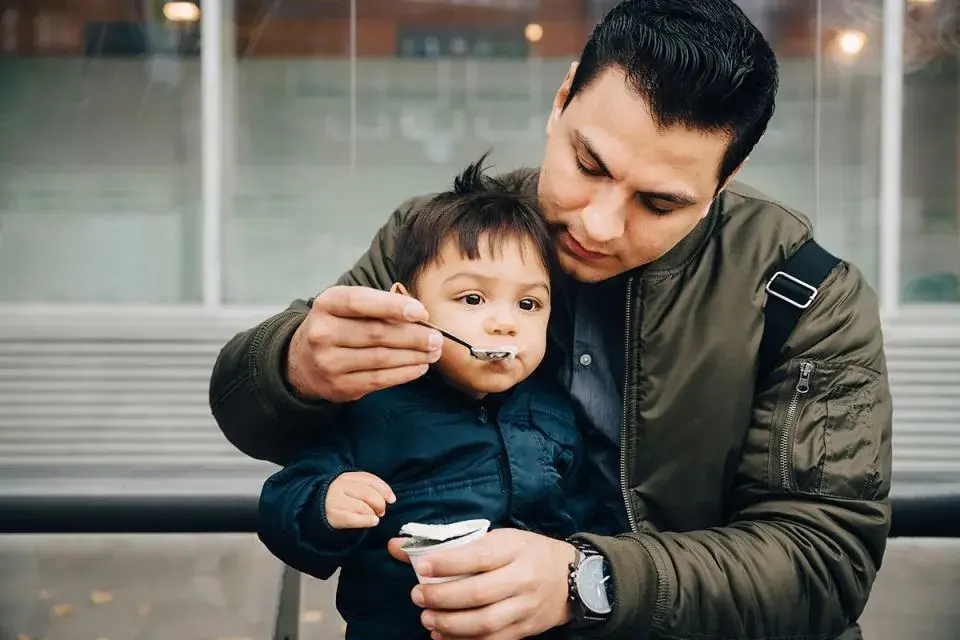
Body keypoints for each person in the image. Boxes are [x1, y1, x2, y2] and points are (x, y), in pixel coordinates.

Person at [210, 1, 893, 638]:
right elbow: (250, 419)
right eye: (588, 164)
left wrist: (586, 579)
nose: (598, 224)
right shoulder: (451, 240)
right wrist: (295, 365)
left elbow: (824, 560)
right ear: (562, 97)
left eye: (657, 204)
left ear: (728, 173)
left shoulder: (807, 297)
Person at [256, 158, 618, 639]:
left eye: (528, 304)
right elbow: (281, 506)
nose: (504, 323)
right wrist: (326, 504)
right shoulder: (373, 404)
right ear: (409, 306)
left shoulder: (553, 410)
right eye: (472, 299)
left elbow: (589, 521)